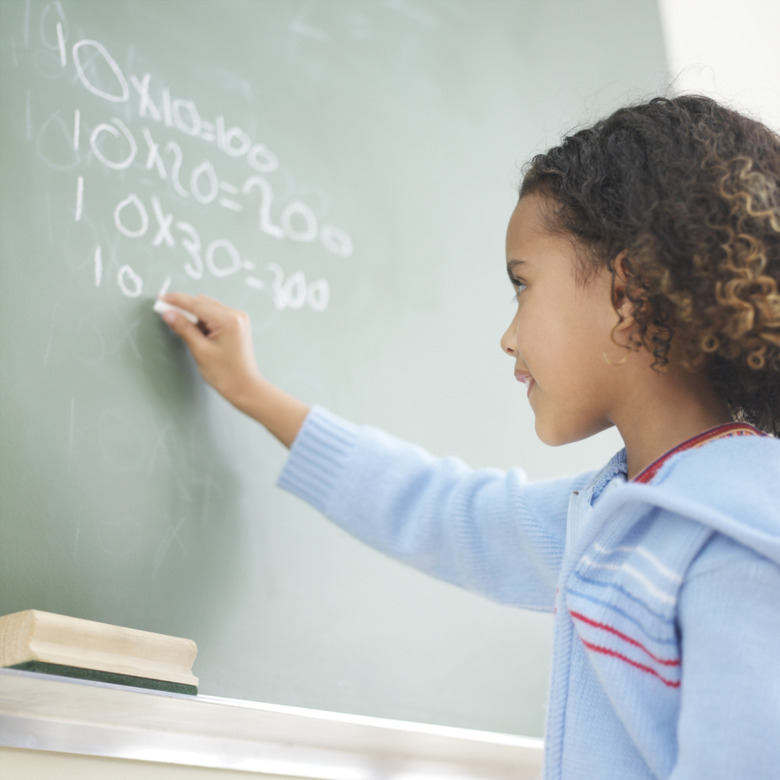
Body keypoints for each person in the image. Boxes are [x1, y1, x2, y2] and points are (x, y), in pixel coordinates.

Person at [159, 95, 780, 779]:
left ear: (627, 293)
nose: (509, 335)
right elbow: (439, 510)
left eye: (522, 284)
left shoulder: (739, 541)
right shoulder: (615, 513)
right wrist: (255, 394)